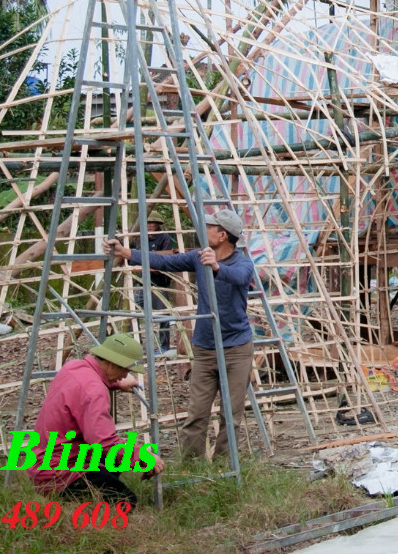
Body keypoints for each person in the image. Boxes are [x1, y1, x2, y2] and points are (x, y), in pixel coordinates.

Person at [106, 207, 255, 461]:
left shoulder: (242, 262)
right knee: (197, 412)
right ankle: (192, 464)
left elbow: (239, 277)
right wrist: (127, 252)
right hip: (205, 347)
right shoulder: (199, 257)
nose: (203, 230)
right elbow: (165, 261)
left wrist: (216, 266)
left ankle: (225, 466)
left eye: (209, 227)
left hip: (236, 349)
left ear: (222, 235)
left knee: (231, 414)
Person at [27, 332, 164, 504]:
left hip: (42, 462)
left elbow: (84, 391)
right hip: (60, 472)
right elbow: (103, 442)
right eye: (126, 369)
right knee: (126, 502)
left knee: (112, 461)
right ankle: (80, 509)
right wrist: (142, 456)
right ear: (113, 364)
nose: (125, 375)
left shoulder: (74, 367)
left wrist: (114, 383)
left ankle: (90, 492)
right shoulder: (95, 392)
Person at [132, 215, 176, 354]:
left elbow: (165, 258)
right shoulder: (140, 238)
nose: (149, 225)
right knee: (134, 309)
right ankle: (137, 344)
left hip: (159, 281)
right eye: (147, 223)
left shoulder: (164, 238)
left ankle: (164, 346)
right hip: (142, 279)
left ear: (158, 225)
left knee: (163, 314)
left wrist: (150, 259)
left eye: (152, 223)